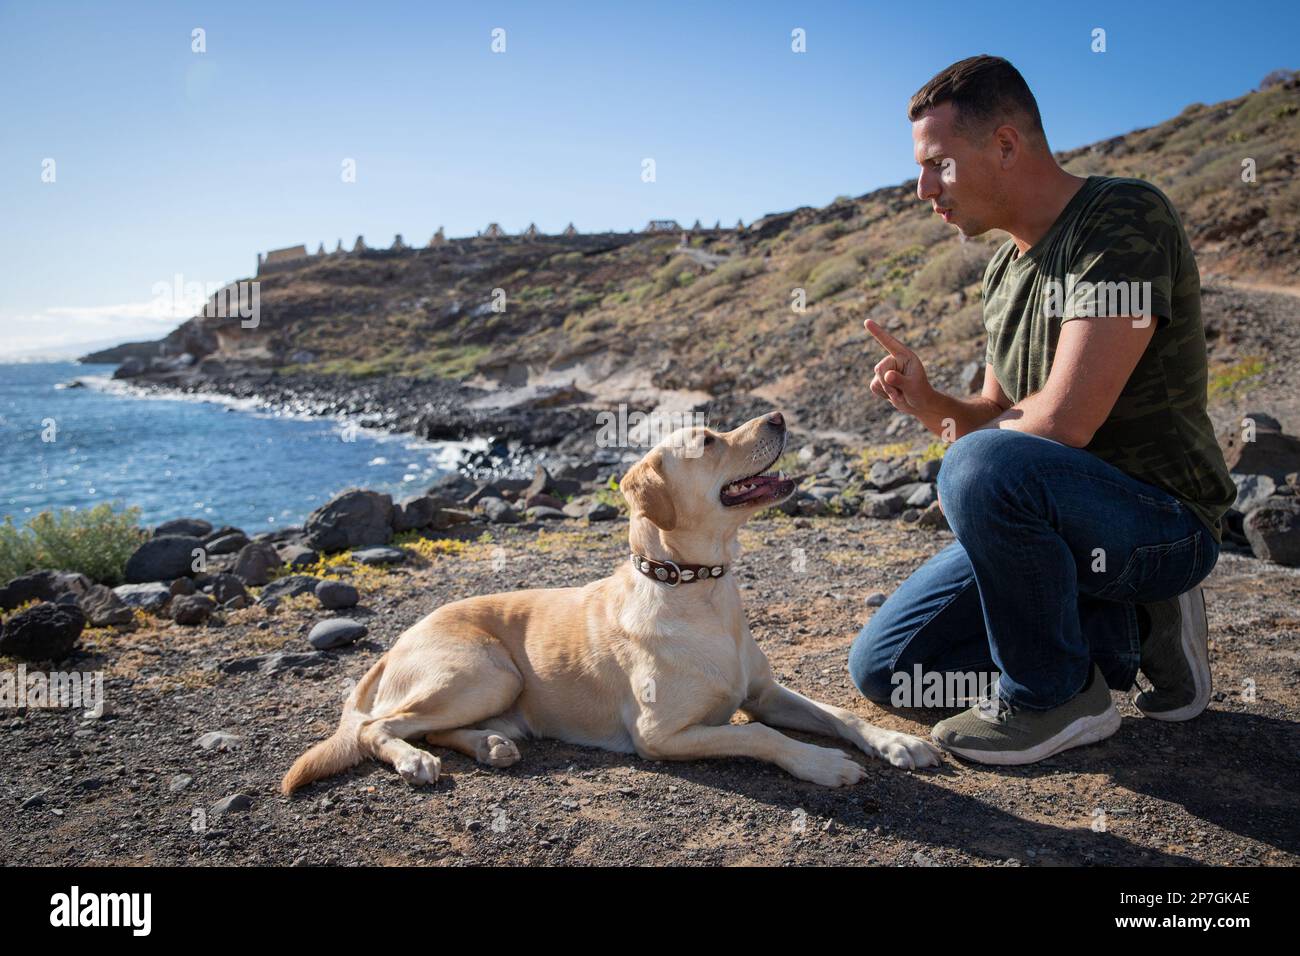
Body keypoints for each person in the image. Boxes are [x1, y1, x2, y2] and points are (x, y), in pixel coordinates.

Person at [847, 55, 1236, 765]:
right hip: (1055, 525)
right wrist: (929, 402)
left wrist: (976, 453)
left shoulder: (1122, 217)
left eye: (938, 165)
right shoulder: (1003, 269)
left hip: (1161, 523)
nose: (922, 189)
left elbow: (1061, 426)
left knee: (983, 466)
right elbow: (997, 411)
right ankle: (1122, 636)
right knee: (890, 669)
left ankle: (1055, 694)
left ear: (1003, 145)